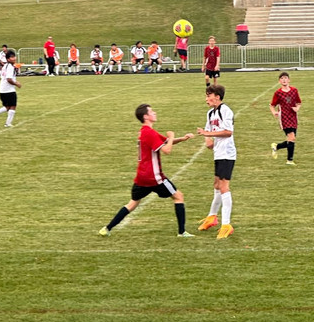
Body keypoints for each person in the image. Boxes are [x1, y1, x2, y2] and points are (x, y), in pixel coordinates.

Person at [99, 104, 194, 238]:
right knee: (178, 196)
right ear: (146, 116)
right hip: (154, 177)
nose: (154, 113)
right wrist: (172, 136)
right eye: (151, 111)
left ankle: (107, 228)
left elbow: (165, 142)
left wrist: (182, 139)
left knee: (132, 204)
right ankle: (182, 232)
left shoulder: (145, 131)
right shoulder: (149, 133)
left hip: (141, 177)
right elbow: (167, 149)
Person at [196, 84, 236, 240]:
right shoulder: (210, 113)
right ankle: (212, 217)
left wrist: (208, 133)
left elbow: (228, 132)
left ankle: (226, 224)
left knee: (224, 187)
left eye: (208, 95)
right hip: (218, 153)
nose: (206, 99)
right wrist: (207, 138)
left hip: (227, 153)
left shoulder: (225, 111)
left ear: (217, 97)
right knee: (216, 185)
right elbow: (208, 129)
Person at [270, 72, 302, 166]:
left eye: (285, 78)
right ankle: (289, 160)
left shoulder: (294, 90)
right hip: (284, 118)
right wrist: (274, 112)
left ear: (289, 80)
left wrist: (297, 109)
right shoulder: (278, 93)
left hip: (293, 117)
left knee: (291, 139)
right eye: (282, 78)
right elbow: (272, 105)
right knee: (291, 137)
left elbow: (299, 103)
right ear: (279, 81)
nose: (284, 80)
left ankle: (276, 146)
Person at [0, 49, 21, 128]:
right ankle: (7, 123)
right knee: (13, 106)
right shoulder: (10, 67)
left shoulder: (5, 66)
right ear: (8, 59)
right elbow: (9, 79)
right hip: (8, 90)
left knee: (7, 107)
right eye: (12, 57)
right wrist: (17, 84)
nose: (14, 58)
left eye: (14, 57)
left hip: (2, 90)